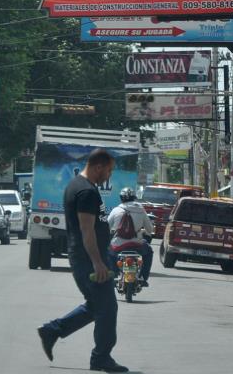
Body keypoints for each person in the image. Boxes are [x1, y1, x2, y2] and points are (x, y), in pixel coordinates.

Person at [37, 149, 129, 373]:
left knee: (96, 305)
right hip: (88, 259)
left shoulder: (77, 185)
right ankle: (101, 358)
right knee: (107, 309)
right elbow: (87, 230)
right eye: (109, 170)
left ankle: (53, 330)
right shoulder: (86, 192)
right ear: (98, 167)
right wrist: (97, 262)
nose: (109, 175)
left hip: (85, 257)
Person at [107, 187, 155, 286]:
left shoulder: (116, 210)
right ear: (134, 198)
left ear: (121, 198)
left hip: (118, 245)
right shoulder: (141, 210)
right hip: (137, 245)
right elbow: (150, 229)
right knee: (149, 251)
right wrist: (142, 231)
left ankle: (113, 276)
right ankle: (143, 278)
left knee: (108, 252)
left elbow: (106, 227)